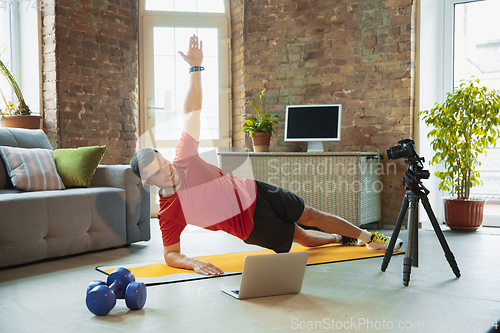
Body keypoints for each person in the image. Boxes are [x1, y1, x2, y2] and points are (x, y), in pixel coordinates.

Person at [130, 35, 403, 276]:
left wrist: (195, 68)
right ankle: (339, 239)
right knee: (303, 237)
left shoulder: (183, 158)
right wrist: (191, 262)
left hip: (258, 192)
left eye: (163, 162)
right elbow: (170, 254)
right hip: (250, 226)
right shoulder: (169, 213)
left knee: (311, 213)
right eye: (158, 173)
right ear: (147, 182)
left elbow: (193, 112)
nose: (168, 170)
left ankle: (368, 237)